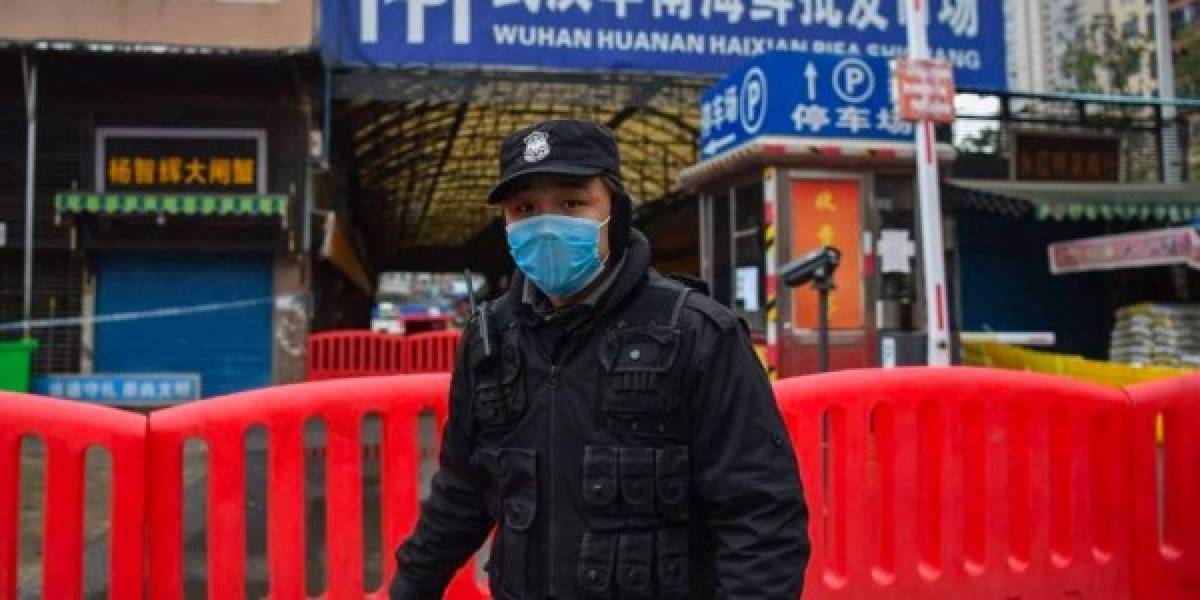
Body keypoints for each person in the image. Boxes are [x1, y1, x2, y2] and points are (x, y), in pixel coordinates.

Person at [389, 119, 810, 599]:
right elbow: (461, 493)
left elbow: (760, 517)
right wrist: (408, 589)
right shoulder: (490, 340)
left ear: (616, 211)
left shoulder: (696, 334)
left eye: (571, 203)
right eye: (525, 209)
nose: (546, 226)